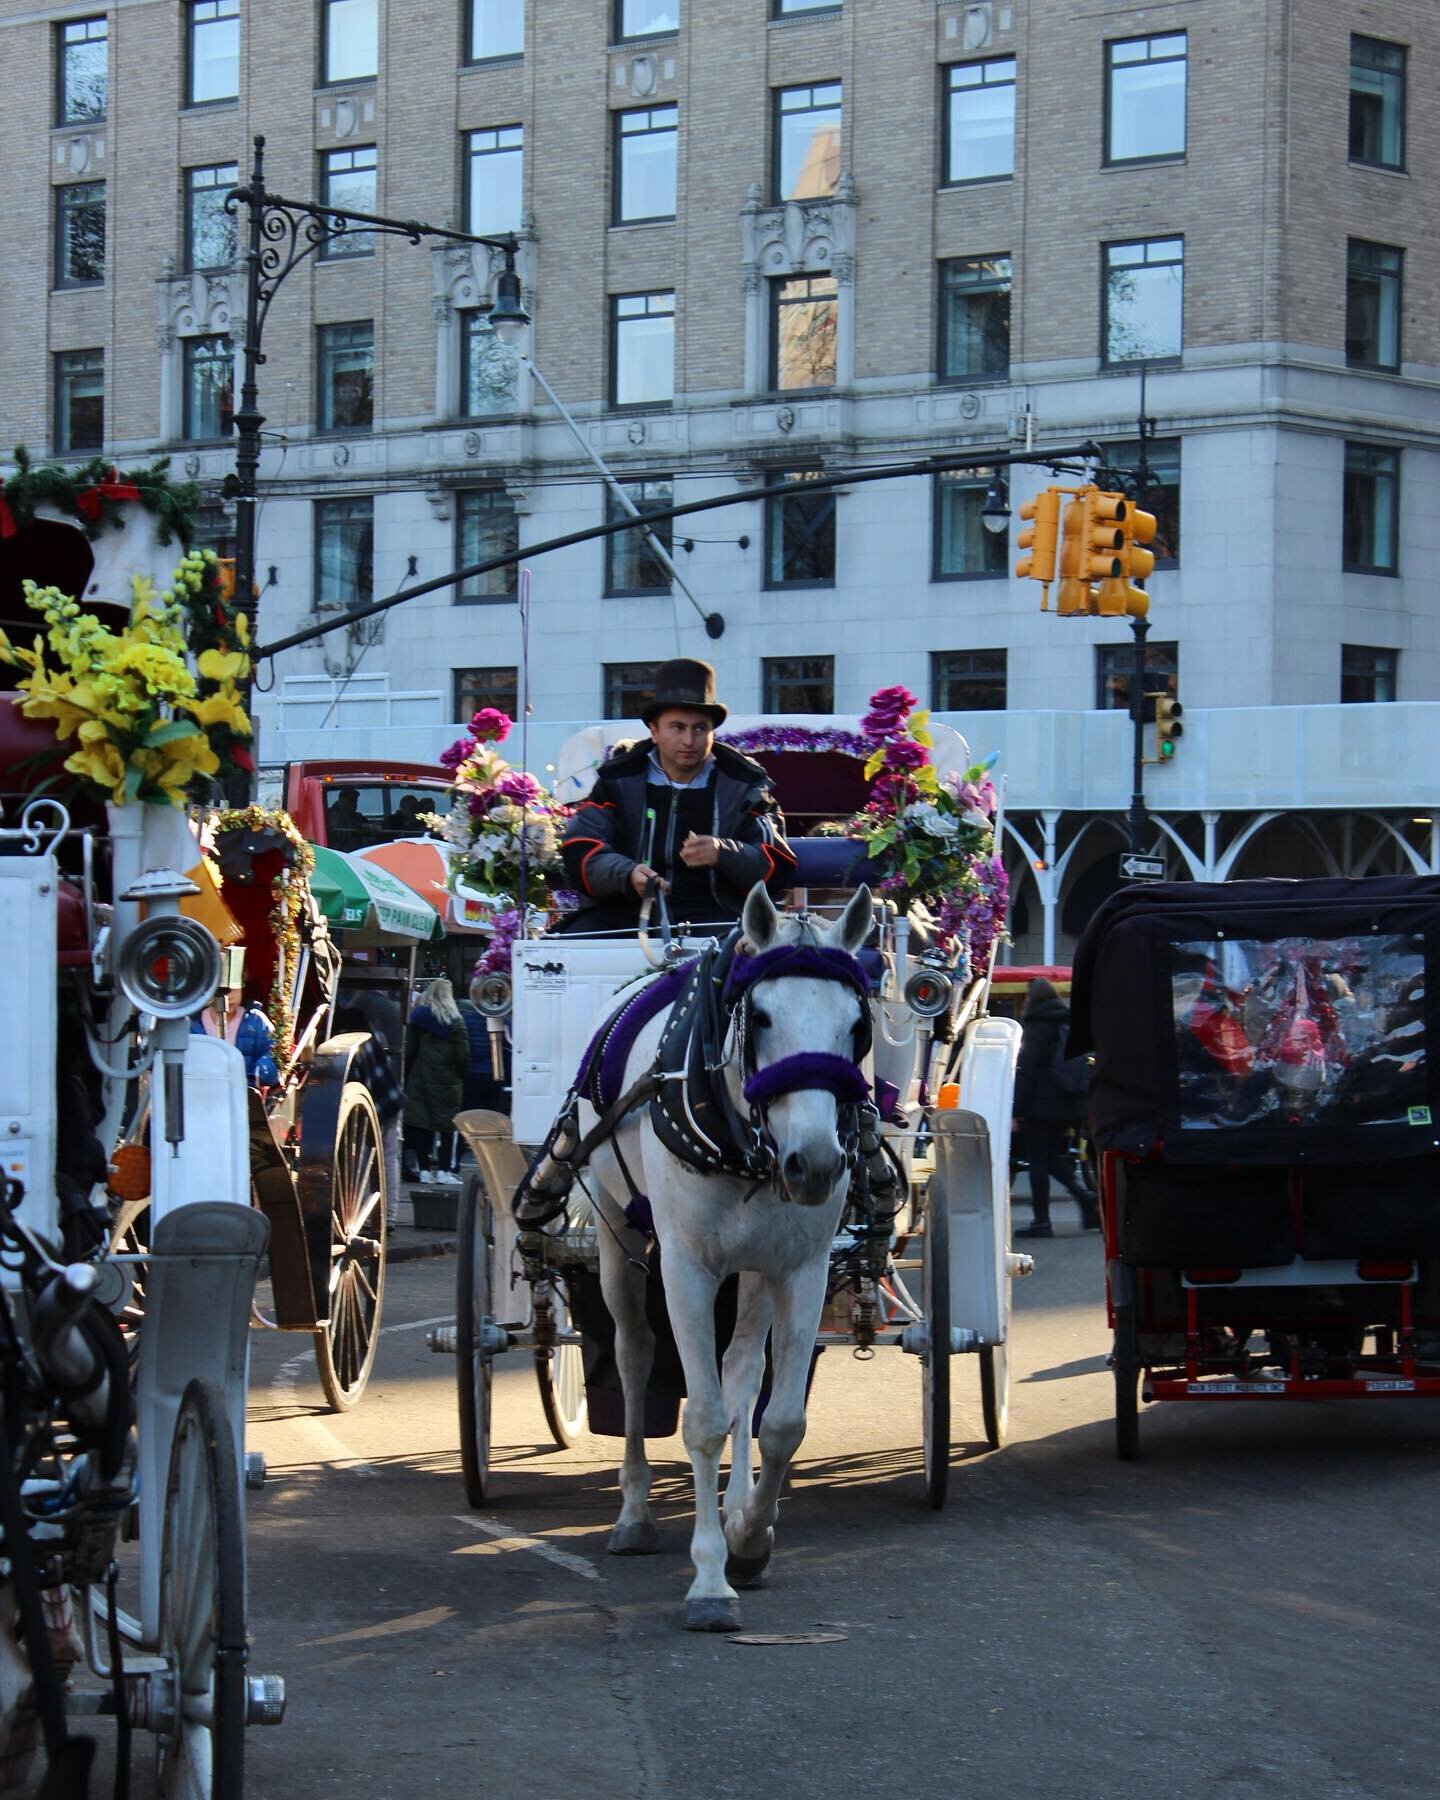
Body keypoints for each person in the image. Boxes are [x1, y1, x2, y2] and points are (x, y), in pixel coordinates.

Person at [559, 657, 795, 936]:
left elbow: (776, 864)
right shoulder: (617, 779)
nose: (689, 740)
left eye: (699, 728)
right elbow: (581, 849)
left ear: (712, 732)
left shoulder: (746, 785)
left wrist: (725, 853)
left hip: (718, 915)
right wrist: (627, 874)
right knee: (564, 953)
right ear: (654, 731)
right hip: (624, 912)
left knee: (747, 958)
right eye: (677, 727)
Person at [1014, 977, 1098, 1238]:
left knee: (1037, 1158)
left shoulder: (1037, 1025)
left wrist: (1016, 1109)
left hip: (1041, 1104)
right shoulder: (1068, 1020)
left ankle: (1042, 1220)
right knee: (1052, 1158)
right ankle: (1086, 1200)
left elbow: (1027, 1070)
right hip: (1069, 1102)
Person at [334, 1004, 406, 1230]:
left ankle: (365, 1216)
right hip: (389, 1099)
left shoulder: (344, 1046)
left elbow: (353, 1088)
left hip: (370, 1104)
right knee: (388, 1158)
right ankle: (389, 1216)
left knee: (363, 1161)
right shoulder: (368, 1036)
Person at [403, 977, 468, 1185]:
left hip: (420, 1077)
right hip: (447, 1081)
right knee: (448, 1126)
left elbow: (409, 1050)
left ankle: (424, 1171)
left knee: (423, 1124)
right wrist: (460, 1073)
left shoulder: (418, 1018)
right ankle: (444, 1171)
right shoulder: (456, 1022)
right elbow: (463, 1055)